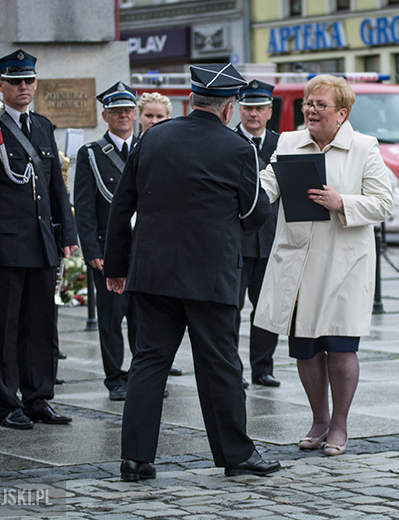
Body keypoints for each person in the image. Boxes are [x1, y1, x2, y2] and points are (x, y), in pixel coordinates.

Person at [105, 63, 280, 480]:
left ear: (191, 101)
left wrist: (116, 266)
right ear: (228, 109)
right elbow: (255, 212)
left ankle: (135, 458)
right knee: (220, 365)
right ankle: (235, 455)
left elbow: (121, 205)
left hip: (153, 274)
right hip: (211, 275)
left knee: (148, 363)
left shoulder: (151, 138)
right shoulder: (239, 149)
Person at [254, 74, 393, 456]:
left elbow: (384, 203)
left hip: (343, 264)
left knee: (340, 345)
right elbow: (268, 185)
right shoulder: (288, 142)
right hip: (298, 261)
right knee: (306, 348)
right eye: (307, 104)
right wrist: (241, 199)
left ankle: (340, 424)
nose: (311, 110)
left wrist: (342, 201)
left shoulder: (364, 147)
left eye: (320, 105)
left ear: (342, 113)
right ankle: (319, 418)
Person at [0, 49, 78, 429]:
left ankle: (38, 397)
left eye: (28, 81)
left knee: (42, 325)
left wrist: (67, 234)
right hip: (6, 244)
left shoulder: (42, 126)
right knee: (6, 326)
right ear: (1, 86)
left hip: (41, 241)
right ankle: (7, 401)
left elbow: (55, 184)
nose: (23, 87)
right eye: (15, 82)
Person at [74, 82, 141, 402]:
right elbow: (84, 207)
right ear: (105, 115)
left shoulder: (148, 146)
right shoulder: (91, 153)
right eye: (116, 111)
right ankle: (115, 378)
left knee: (144, 318)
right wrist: (92, 251)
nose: (123, 116)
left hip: (144, 250)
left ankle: (144, 375)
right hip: (110, 248)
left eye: (128, 110)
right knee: (112, 320)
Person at [234, 79, 280, 388]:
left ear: (269, 111)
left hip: (272, 241)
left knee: (267, 311)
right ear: (239, 109)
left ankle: (263, 368)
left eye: (259, 108)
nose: (253, 114)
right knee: (230, 311)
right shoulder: (228, 141)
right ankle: (232, 368)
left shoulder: (283, 144)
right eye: (248, 108)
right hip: (236, 242)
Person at [134, 90, 183, 379]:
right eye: (149, 115)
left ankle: (159, 361)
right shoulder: (131, 148)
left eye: (160, 116)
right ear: (140, 117)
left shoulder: (173, 149)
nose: (153, 121)